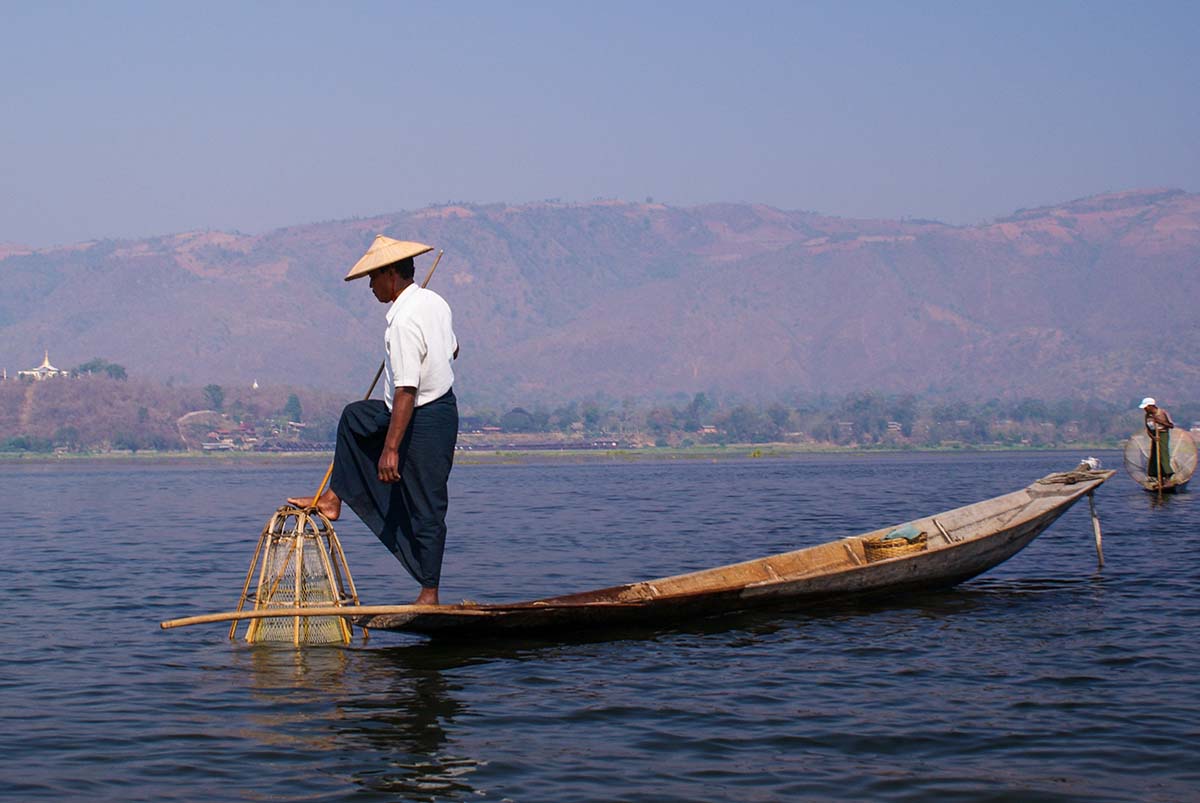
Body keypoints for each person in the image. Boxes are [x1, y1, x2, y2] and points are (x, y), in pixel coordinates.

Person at [289, 236, 459, 605]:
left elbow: (407, 391)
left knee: (428, 504)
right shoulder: (433, 302)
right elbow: (454, 349)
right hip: (404, 408)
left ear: (391, 274)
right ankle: (334, 497)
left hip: (428, 417)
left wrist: (391, 450)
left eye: (373, 278)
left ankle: (429, 593)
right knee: (355, 418)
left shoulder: (405, 321)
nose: (370, 286)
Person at [1138, 397, 1174, 483]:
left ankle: (1167, 475)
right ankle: (1156, 476)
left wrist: (1160, 422)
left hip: (1163, 434)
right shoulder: (1147, 416)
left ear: (1151, 406)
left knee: (1162, 454)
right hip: (1154, 435)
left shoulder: (1162, 413)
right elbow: (1148, 429)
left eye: (1145, 407)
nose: (1144, 409)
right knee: (1154, 455)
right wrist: (1153, 437)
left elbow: (1171, 425)